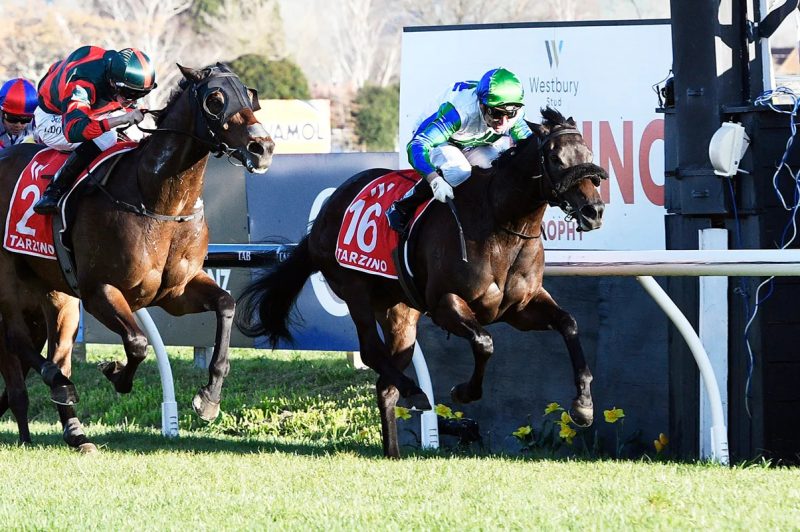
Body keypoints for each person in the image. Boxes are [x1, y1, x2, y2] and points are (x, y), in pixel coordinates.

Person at [386, 67, 533, 234]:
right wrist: (434, 179)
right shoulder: (460, 112)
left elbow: (529, 149)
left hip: (474, 140)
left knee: (495, 168)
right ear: (482, 105)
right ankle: (404, 205)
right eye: (497, 113)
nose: (504, 122)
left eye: (510, 113)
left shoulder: (516, 117)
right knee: (458, 172)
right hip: (442, 139)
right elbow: (416, 146)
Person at [32, 45, 157, 214]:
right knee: (107, 137)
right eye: (130, 94)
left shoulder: (118, 78)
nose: (134, 100)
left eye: (141, 94)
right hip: (53, 118)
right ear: (113, 83)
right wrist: (120, 119)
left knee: (135, 134)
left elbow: (131, 106)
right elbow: (74, 131)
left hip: (91, 111)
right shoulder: (83, 83)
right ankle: (54, 190)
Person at [0, 78, 38, 148]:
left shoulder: (36, 123)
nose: (18, 125)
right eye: (13, 119)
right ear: (1, 112)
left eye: (25, 119)